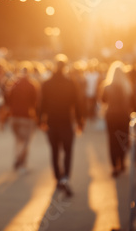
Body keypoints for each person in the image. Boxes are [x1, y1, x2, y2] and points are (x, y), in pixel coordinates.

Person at [39, 54, 83, 193]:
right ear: (65, 68)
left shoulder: (47, 84)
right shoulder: (71, 83)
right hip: (66, 122)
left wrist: (40, 120)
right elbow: (77, 104)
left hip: (52, 122)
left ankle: (58, 177)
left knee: (54, 151)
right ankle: (65, 178)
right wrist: (80, 121)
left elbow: (41, 104)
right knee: (68, 150)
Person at [100, 61, 132, 177]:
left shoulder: (107, 87)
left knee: (112, 141)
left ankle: (114, 166)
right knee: (122, 139)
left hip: (111, 116)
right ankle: (122, 162)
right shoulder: (126, 86)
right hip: (123, 115)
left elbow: (103, 100)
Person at [6, 61, 39, 173]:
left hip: (14, 116)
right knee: (25, 141)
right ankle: (22, 163)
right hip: (26, 116)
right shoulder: (32, 85)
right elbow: (35, 102)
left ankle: (17, 159)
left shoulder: (13, 84)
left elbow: (8, 100)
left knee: (18, 140)